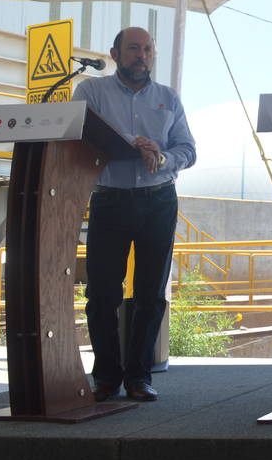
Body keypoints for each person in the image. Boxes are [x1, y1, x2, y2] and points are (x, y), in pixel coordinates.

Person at [74, 26, 196, 403]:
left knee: (150, 293)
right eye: (133, 48)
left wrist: (163, 157)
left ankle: (139, 377)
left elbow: (188, 150)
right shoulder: (91, 92)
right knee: (102, 293)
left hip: (159, 200)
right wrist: (132, 145)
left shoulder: (168, 98)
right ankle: (106, 377)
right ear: (114, 53)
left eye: (146, 49)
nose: (141, 55)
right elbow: (78, 137)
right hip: (109, 200)